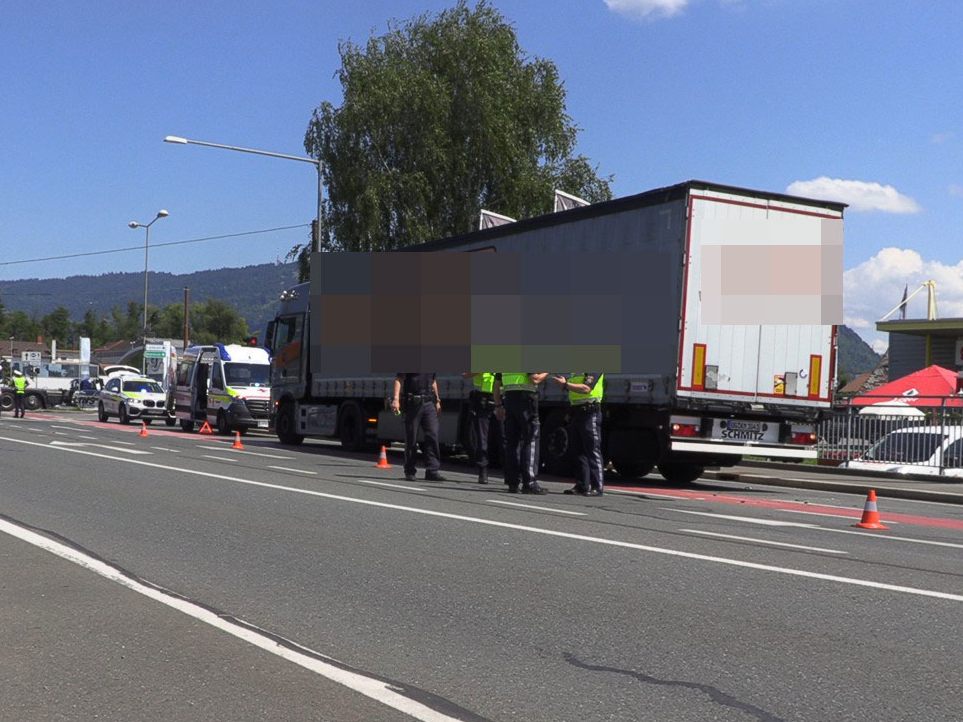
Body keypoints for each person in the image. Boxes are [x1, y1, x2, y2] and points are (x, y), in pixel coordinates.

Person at [494, 372, 549, 494]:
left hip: (509, 400)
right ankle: (529, 482)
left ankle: (513, 483)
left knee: (512, 443)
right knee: (531, 440)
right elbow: (535, 379)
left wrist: (498, 405)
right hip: (526, 400)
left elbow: (497, 384)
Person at [552, 373, 605, 496]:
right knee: (577, 450)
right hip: (576, 411)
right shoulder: (575, 372)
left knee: (592, 449)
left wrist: (565, 384)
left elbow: (586, 388)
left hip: (590, 411)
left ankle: (597, 486)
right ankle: (582, 485)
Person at [391, 373, 445, 482]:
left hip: (429, 403)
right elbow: (399, 379)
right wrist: (396, 399)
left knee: (433, 434)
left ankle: (432, 471)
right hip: (413, 404)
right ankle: (410, 471)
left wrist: (438, 400)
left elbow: (433, 381)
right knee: (411, 438)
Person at [462, 372, 502, 484]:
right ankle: (483, 472)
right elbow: (465, 374)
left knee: (504, 438)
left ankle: (510, 475)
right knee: (482, 439)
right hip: (482, 399)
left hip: (500, 397)